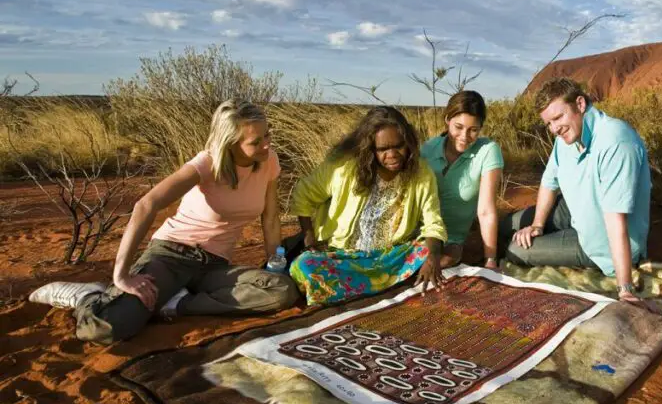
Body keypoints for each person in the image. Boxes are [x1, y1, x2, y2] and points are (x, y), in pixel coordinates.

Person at [29, 99, 299, 344]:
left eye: (267, 135)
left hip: (213, 266)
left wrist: (275, 263)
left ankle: (177, 303)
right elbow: (147, 204)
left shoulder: (268, 161)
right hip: (172, 256)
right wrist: (121, 275)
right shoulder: (206, 164)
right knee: (105, 329)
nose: (267, 145)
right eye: (256, 141)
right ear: (229, 143)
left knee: (282, 291)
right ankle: (87, 297)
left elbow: (271, 217)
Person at [500, 78, 662, 313]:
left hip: (599, 240)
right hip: (576, 208)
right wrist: (538, 225)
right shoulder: (566, 136)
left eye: (558, 118)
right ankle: (544, 231)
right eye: (549, 123)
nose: (554, 129)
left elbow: (615, 220)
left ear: (580, 104)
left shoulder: (616, 141)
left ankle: (623, 261)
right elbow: (549, 182)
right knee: (507, 225)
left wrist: (624, 287)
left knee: (515, 250)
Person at [288, 106, 448, 306]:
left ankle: (353, 288)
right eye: (383, 149)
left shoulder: (421, 172)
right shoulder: (343, 168)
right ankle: (378, 284)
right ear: (370, 148)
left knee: (430, 250)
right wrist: (309, 238)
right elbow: (303, 194)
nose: (392, 155)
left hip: (388, 257)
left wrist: (432, 255)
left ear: (408, 142)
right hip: (343, 255)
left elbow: (433, 221)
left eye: (399, 146)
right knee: (304, 266)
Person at [421, 91, 503, 270]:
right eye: (458, 127)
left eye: (473, 130)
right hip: (422, 234)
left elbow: (486, 211)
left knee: (441, 263)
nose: (465, 136)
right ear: (447, 119)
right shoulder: (427, 149)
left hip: (452, 240)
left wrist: (490, 260)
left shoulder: (488, 151)